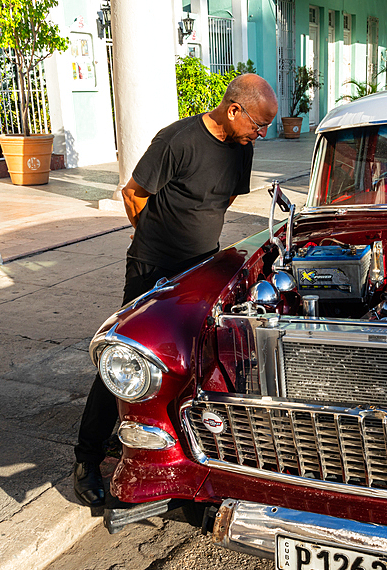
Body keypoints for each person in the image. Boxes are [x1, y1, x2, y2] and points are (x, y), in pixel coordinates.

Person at [72, 74, 279, 508]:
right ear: (234, 109)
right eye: (258, 125)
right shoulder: (177, 139)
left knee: (191, 359)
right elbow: (134, 193)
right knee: (128, 357)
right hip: (154, 267)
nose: (260, 134)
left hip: (201, 268)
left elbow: (221, 201)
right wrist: (150, 240)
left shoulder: (242, 148)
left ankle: (166, 441)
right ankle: (87, 457)